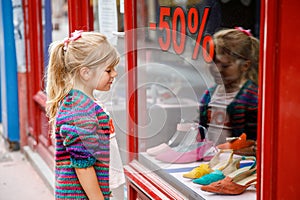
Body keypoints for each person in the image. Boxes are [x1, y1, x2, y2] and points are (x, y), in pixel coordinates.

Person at [45, 30, 119, 200]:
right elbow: (83, 167)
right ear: (85, 73)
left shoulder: (84, 103)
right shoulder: (79, 111)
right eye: (108, 70)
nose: (114, 74)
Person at [199, 27, 259, 149]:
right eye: (212, 63)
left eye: (225, 65)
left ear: (245, 65)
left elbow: (254, 139)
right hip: (213, 158)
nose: (217, 69)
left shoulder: (253, 97)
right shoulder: (210, 93)